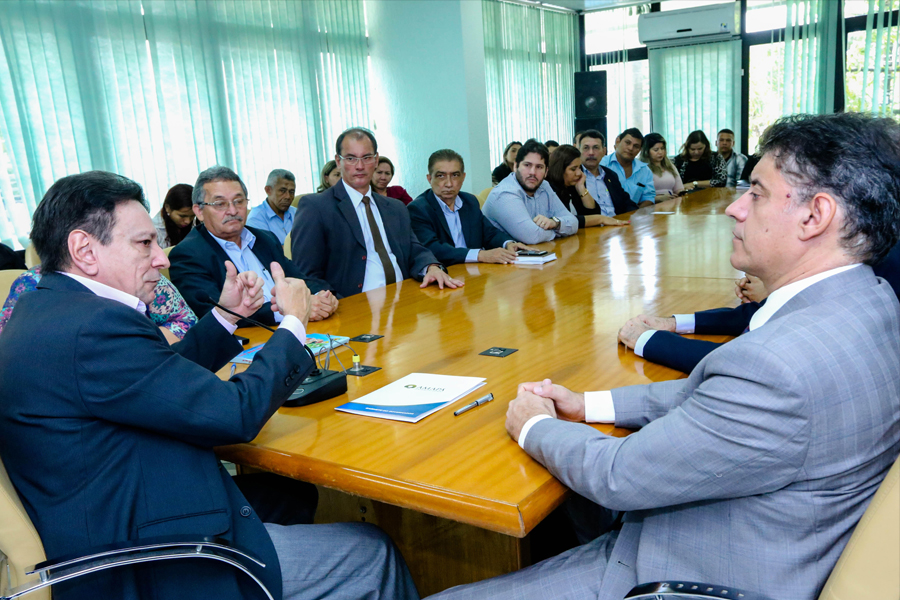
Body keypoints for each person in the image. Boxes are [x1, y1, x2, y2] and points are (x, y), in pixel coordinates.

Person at [431, 112, 900, 600]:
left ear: (815, 215)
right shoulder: (872, 300)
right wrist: (588, 405)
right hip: (774, 530)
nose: (734, 209)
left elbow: (618, 475)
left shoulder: (777, 368)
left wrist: (533, 422)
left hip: (688, 569)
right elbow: (716, 395)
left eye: (756, 193)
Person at [0, 170, 418, 600]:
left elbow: (154, 379)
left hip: (117, 506)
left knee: (289, 492)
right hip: (153, 555)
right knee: (373, 552)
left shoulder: (47, 309)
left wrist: (224, 316)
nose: (162, 258)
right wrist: (294, 324)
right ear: (84, 250)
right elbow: (234, 414)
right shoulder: (93, 326)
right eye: (145, 244)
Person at [619, 240, 900, 374]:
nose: (737, 208)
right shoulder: (862, 247)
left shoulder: (880, 261)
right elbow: (756, 314)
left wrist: (646, 339)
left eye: (758, 194)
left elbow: (748, 363)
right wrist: (674, 323)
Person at [291, 127, 462, 298]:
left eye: (366, 158)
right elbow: (305, 273)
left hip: (405, 299)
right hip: (352, 306)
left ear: (376, 160)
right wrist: (334, 303)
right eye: (351, 158)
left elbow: (414, 249)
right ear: (338, 161)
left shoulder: (395, 208)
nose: (359, 166)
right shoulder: (316, 207)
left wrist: (431, 267)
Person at [169, 166, 338, 326]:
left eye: (238, 201)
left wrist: (322, 296)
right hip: (249, 345)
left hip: (298, 329)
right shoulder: (187, 255)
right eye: (220, 204)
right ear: (199, 211)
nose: (233, 210)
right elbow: (215, 314)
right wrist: (290, 310)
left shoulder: (264, 238)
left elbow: (299, 278)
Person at [408, 149, 534, 266]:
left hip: (475, 271)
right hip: (444, 274)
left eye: (455, 175)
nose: (449, 183)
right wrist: (480, 255)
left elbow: (489, 233)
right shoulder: (418, 209)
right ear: (429, 179)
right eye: (441, 176)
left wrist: (508, 244)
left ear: (463, 178)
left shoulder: (469, 201)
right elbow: (432, 248)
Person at [1, 266, 196, 341]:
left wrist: (139, 345)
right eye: (143, 242)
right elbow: (10, 347)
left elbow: (186, 322)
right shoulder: (31, 284)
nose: (160, 259)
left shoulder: (142, 274)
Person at [482, 139, 578, 245]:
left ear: (546, 172)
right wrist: (559, 230)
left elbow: (574, 222)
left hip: (535, 254)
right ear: (515, 166)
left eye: (539, 167)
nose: (533, 172)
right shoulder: (505, 193)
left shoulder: (544, 186)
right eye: (527, 165)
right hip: (500, 258)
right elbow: (532, 236)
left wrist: (554, 222)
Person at [545, 144, 631, 229]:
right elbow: (566, 220)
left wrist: (581, 189)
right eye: (573, 169)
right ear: (560, 169)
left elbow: (593, 213)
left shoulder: (572, 187)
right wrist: (600, 219)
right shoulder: (549, 189)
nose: (579, 173)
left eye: (579, 167)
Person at [576, 131, 639, 216]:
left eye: (596, 148)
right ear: (579, 151)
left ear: (604, 151)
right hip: (590, 226)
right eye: (586, 148)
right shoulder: (574, 176)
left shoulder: (610, 175)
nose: (591, 153)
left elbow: (627, 203)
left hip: (616, 224)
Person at [599, 128, 656, 207]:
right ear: (618, 141)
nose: (630, 148)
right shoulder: (602, 165)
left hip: (634, 215)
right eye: (627, 143)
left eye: (636, 146)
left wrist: (634, 213)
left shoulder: (644, 170)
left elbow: (649, 197)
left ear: (640, 150)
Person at [246, 169, 297, 245]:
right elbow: (268, 252)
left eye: (291, 192)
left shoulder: (297, 213)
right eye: (282, 191)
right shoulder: (256, 218)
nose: (288, 197)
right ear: (268, 190)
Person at [639, 133, 685, 201]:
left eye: (662, 148)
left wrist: (682, 193)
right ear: (647, 151)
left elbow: (679, 189)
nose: (660, 152)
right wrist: (659, 198)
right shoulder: (642, 168)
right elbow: (638, 196)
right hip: (652, 206)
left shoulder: (670, 166)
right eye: (656, 150)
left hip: (672, 204)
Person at [152, 183, 195, 248]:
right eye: (182, 216)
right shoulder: (155, 230)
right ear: (167, 208)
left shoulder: (198, 223)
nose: (188, 221)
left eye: (192, 216)